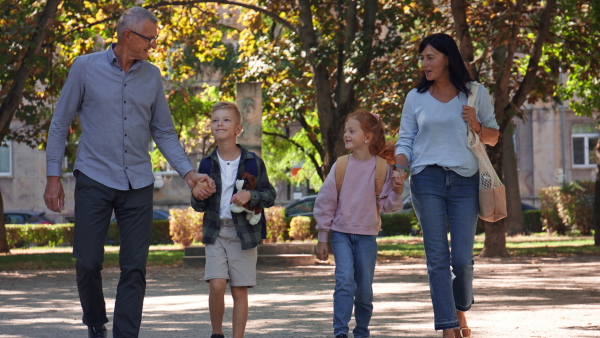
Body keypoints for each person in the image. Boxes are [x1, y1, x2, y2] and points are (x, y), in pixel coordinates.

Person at [43, 7, 215, 338]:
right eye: (150, 38)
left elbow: (163, 131)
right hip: (94, 176)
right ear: (128, 36)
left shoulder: (151, 75)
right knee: (88, 261)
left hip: (138, 181)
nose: (153, 45)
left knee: (134, 267)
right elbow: (60, 122)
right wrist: (53, 176)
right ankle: (95, 321)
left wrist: (188, 173)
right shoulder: (84, 68)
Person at [394, 33, 500, 338]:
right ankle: (448, 326)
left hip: (465, 181)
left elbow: (493, 137)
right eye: (422, 58)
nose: (424, 64)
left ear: (447, 58)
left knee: (463, 259)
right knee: (437, 257)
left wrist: (476, 125)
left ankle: (460, 309)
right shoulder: (416, 97)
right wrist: (400, 167)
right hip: (427, 178)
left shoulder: (475, 94)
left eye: (430, 57)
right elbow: (406, 139)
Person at [314, 110, 405, 338]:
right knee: (344, 281)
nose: (345, 134)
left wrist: (397, 191)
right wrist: (322, 237)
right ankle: (340, 332)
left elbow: (388, 206)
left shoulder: (383, 168)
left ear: (367, 137)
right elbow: (325, 202)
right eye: (346, 130)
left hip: (367, 237)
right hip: (340, 234)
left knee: (364, 290)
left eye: (351, 131)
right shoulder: (341, 165)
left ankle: (362, 331)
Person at [190, 101, 276, 338]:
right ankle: (217, 334)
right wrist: (196, 194)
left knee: (239, 290)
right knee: (217, 284)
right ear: (211, 126)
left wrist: (251, 195)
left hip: (244, 234)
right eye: (216, 119)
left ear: (238, 129)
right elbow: (199, 204)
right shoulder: (207, 163)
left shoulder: (253, 162)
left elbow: (270, 195)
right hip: (216, 232)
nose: (220, 123)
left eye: (226, 119)